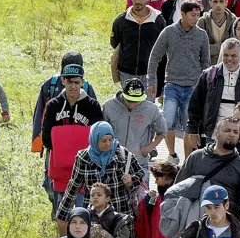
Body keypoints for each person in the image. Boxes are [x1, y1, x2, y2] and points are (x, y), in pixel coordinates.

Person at [178, 113, 240, 233]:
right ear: (216, 134)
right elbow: (179, 187)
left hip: (228, 227)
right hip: (196, 226)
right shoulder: (196, 157)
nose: (232, 134)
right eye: (227, 130)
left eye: (235, 132)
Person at [148, 0, 211, 161]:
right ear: (182, 14)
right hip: (172, 85)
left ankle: (187, 161)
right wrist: (152, 81)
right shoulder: (169, 32)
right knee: (168, 122)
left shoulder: (201, 35)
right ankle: (172, 155)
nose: (196, 19)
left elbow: (206, 63)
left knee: (190, 126)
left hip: (192, 87)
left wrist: (204, 87)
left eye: (198, 15)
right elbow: (154, 57)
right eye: (192, 15)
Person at [40, 62, 105, 215]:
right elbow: (46, 134)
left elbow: (98, 134)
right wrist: (61, 148)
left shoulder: (92, 106)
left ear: (83, 82)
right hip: (59, 165)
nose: (73, 86)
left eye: (76, 82)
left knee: (82, 209)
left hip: (85, 165)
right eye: (69, 82)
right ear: (63, 81)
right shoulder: (53, 105)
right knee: (61, 207)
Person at [56, 121, 144, 223]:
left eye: (110, 139)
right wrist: (62, 215)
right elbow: (74, 187)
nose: (108, 144)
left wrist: (131, 180)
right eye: (103, 141)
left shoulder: (122, 154)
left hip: (120, 214)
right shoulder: (83, 158)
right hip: (94, 215)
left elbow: (140, 173)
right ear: (94, 140)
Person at [187, 38, 240, 148]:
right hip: (212, 135)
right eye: (226, 55)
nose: (229, 59)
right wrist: (193, 131)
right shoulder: (209, 75)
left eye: (233, 56)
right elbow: (195, 105)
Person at [103, 79, 166, 178]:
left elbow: (162, 131)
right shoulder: (108, 106)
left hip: (139, 163)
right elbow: (100, 132)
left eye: (136, 101)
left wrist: (148, 148)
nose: (132, 105)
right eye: (129, 100)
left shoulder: (151, 109)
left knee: (142, 188)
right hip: (112, 163)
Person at [112, 0, 166, 91]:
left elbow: (163, 47)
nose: (137, 1)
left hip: (150, 73)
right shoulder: (121, 21)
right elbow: (115, 43)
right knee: (129, 101)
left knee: (148, 102)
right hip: (126, 72)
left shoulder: (158, 21)